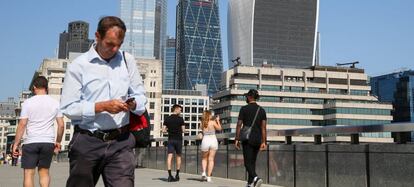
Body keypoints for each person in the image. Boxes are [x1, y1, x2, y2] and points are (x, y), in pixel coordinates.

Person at [60, 16, 147, 187]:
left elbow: (140, 95)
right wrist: (101, 106)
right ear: (97, 36)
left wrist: (133, 103)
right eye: (110, 44)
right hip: (87, 141)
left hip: (121, 142)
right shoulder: (78, 66)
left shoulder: (127, 60)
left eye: (119, 45)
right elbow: (68, 108)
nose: (115, 49)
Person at [12, 76, 64, 187]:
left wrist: (16, 144)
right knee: (44, 172)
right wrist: (58, 142)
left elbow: (22, 124)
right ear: (47, 88)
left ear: (34, 87)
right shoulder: (55, 103)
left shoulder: (27, 103)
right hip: (47, 142)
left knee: (28, 173)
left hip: (31, 141)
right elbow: (61, 125)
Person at [235, 89, 267, 187]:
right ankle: (249, 184)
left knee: (247, 163)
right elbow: (264, 127)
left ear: (249, 97)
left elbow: (239, 124)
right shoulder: (261, 110)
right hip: (257, 139)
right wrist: (264, 141)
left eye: (246, 96)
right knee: (252, 162)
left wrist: (237, 139)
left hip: (247, 139)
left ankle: (256, 178)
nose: (246, 98)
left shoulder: (244, 109)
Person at [163, 104, 185, 182]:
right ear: (176, 109)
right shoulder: (180, 119)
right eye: (180, 109)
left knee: (169, 156)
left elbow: (163, 130)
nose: (180, 111)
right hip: (178, 140)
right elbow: (183, 130)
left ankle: (169, 176)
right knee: (178, 157)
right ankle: (177, 175)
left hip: (171, 139)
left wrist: (169, 130)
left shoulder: (167, 118)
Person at [200, 110, 222, 182]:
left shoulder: (202, 123)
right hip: (213, 140)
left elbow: (201, 130)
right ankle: (209, 177)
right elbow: (219, 129)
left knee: (204, 158)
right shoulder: (213, 122)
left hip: (205, 140)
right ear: (209, 115)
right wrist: (218, 121)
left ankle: (203, 172)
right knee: (211, 159)